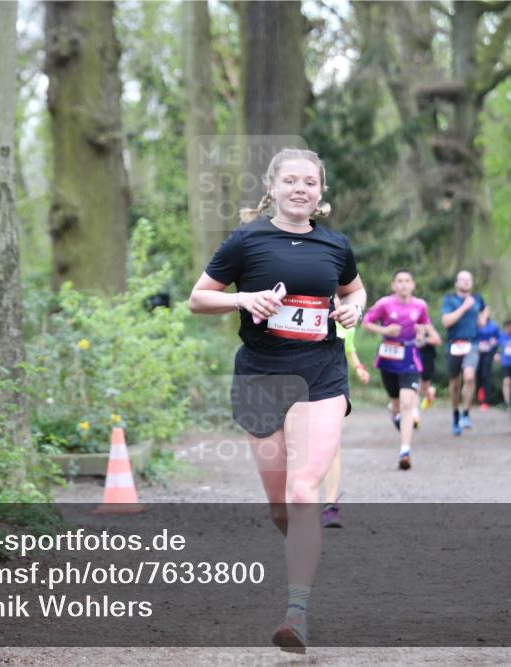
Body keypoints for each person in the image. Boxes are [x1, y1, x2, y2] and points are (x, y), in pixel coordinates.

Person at [188, 148, 365, 653]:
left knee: (305, 488)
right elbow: (198, 297)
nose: (300, 189)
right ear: (274, 186)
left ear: (320, 192)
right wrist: (242, 299)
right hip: (262, 376)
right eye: (291, 180)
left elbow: (355, 291)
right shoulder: (246, 240)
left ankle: (297, 613)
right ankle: (299, 554)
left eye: (310, 182)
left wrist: (353, 311)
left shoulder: (336, 245)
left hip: (321, 375)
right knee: (281, 506)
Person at [362, 269, 438, 470]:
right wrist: (385, 330)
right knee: (396, 405)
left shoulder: (420, 306)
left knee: (407, 404)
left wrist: (422, 335)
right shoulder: (385, 304)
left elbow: (424, 327)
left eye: (407, 280)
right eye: (399, 281)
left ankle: (405, 451)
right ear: (394, 285)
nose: (403, 284)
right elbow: (366, 323)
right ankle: (396, 416)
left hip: (410, 358)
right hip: (388, 357)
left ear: (413, 284)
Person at [320, 320, 370, 529]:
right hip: (298, 377)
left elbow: (349, 348)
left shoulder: (346, 319)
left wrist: (358, 367)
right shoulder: (303, 299)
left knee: (331, 443)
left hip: (332, 381)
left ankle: (330, 505)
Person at [440, 270, 488, 436]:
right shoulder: (449, 299)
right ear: (456, 283)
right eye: (463, 280)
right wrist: (464, 307)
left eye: (469, 280)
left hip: (472, 344)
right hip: (454, 344)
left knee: (469, 376)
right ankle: (455, 414)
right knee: (454, 384)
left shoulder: (478, 299)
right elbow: (446, 322)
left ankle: (466, 413)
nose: (466, 282)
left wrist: (483, 318)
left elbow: (484, 310)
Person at [475, 314, 500, 411]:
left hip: (488, 354)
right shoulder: (475, 325)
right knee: (477, 375)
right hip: (477, 353)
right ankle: (478, 397)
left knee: (486, 375)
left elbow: (499, 339)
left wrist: (496, 349)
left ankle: (485, 401)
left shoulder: (493, 326)